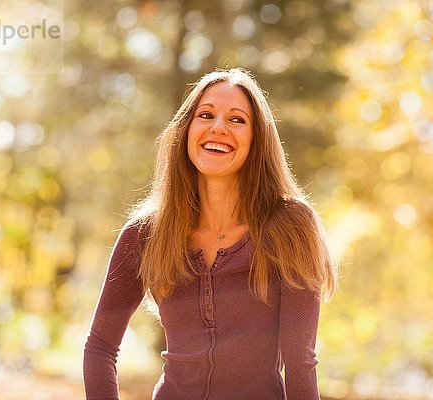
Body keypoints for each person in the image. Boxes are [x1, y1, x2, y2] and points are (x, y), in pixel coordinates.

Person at [83, 67, 338, 400]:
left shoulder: (291, 227)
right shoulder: (146, 233)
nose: (218, 128)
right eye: (206, 115)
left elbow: (299, 363)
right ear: (187, 130)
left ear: (257, 139)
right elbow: (100, 347)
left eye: (237, 120)